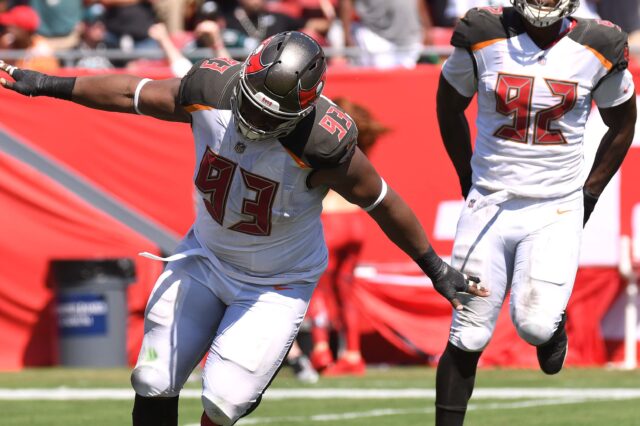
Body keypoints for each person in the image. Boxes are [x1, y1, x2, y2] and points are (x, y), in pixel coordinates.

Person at [0, 31, 486, 426]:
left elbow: (382, 201)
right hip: (205, 257)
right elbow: (134, 92)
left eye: (268, 114)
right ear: (246, 76)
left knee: (225, 400)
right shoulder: (212, 88)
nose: (252, 118)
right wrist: (46, 84)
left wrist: (435, 268)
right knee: (152, 379)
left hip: (276, 283)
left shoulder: (322, 142)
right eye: (250, 103)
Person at [435, 1, 636, 425]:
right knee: (468, 331)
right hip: (489, 200)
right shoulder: (482, 31)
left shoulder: (598, 43)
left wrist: (589, 195)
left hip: (553, 205)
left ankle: (554, 324)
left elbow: (622, 124)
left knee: (536, 327)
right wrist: (466, 176)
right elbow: (449, 105)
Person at [308, 97, 389, 376]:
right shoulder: (360, 148)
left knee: (317, 287)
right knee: (346, 289)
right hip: (355, 219)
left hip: (331, 219)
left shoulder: (327, 143)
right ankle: (353, 354)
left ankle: (321, 351)